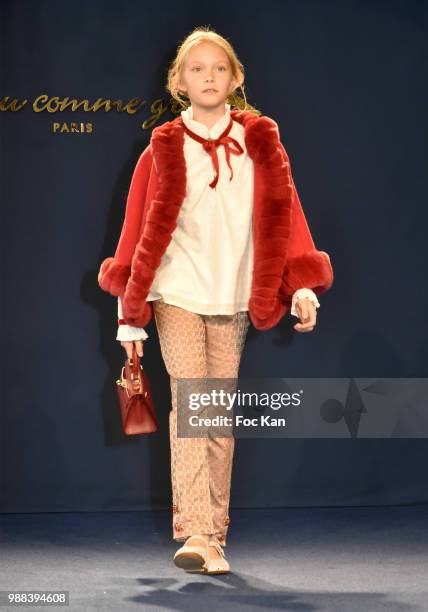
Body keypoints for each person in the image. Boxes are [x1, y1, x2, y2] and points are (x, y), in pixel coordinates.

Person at [98, 26, 334, 574]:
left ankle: (214, 535)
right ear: (179, 82)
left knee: (216, 412)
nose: (208, 77)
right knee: (192, 404)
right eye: (197, 69)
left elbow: (286, 217)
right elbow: (133, 233)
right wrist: (129, 317)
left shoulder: (261, 143)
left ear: (236, 78)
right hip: (174, 292)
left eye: (218, 68)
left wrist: (300, 284)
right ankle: (197, 533)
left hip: (232, 296)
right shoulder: (161, 149)